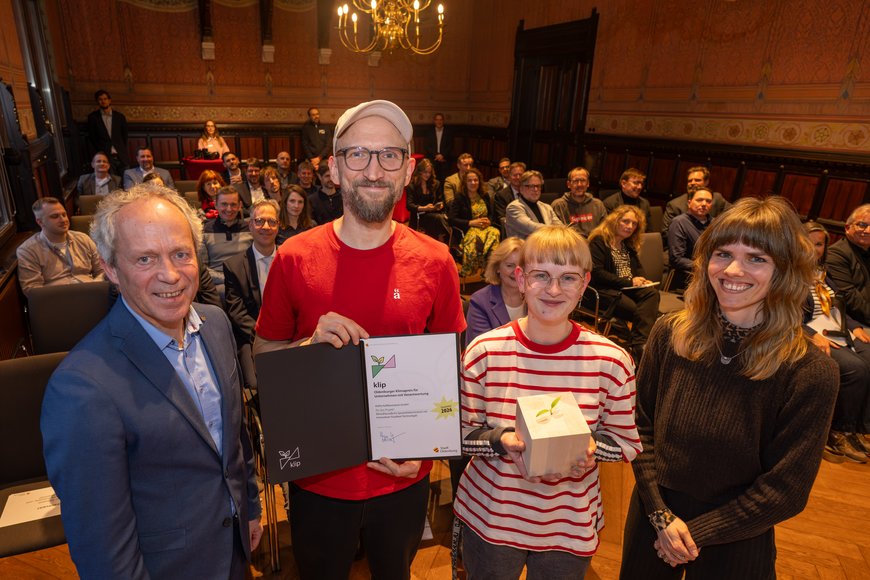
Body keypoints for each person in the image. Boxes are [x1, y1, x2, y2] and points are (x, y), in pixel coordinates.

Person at [253, 99, 464, 580]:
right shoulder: (294, 256)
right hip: (318, 480)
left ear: (408, 170)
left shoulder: (435, 262)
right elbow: (263, 357)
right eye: (357, 155)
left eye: (389, 155)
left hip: (403, 481)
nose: (373, 169)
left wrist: (430, 448)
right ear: (333, 168)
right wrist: (308, 348)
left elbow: (449, 368)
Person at [41, 184, 262, 579]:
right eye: (145, 258)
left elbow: (235, 435)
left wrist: (250, 508)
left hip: (234, 553)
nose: (171, 275)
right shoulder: (81, 387)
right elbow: (102, 545)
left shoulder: (215, 325)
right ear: (110, 268)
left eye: (181, 254)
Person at [620, 197, 839, 579]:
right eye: (723, 253)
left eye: (757, 258)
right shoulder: (669, 332)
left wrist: (694, 534)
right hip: (654, 516)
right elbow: (638, 426)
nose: (733, 270)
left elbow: (786, 489)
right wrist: (660, 515)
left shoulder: (810, 371)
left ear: (785, 271)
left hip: (740, 532)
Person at [455, 226, 641, 579]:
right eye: (541, 276)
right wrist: (502, 440)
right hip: (493, 517)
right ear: (521, 279)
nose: (554, 290)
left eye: (568, 278)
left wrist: (587, 446)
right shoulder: (485, 352)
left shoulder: (611, 360)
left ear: (585, 284)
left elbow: (624, 445)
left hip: (567, 523)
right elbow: (461, 435)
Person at [803, 221, 870, 463]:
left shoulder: (822, 274)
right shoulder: (787, 271)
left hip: (836, 329)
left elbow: (838, 308)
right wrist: (810, 334)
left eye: (819, 244)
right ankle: (837, 431)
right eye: (808, 243)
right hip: (809, 332)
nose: (813, 248)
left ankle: (860, 429)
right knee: (856, 368)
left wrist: (856, 327)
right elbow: (784, 315)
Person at [588, 206, 660, 360]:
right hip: (606, 290)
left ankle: (639, 345)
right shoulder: (599, 241)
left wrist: (643, 279)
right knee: (641, 312)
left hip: (627, 287)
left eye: (634, 224)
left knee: (652, 293)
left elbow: (638, 268)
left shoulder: (627, 244)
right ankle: (641, 347)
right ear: (615, 220)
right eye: (625, 221)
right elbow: (597, 273)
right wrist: (629, 281)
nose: (630, 227)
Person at [224, 199, 280, 391]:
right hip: (252, 336)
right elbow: (236, 312)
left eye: (272, 222)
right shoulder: (234, 266)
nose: (266, 227)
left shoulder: (291, 260)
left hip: (289, 334)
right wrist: (262, 335)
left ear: (278, 226)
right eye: (259, 221)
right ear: (250, 225)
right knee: (258, 383)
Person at [17, 197, 103, 296]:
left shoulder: (83, 239)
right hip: (58, 301)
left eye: (64, 214)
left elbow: (102, 270)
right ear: (40, 222)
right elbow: (32, 290)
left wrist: (96, 285)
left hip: (91, 293)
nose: (63, 220)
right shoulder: (28, 250)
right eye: (55, 216)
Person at [466, 237, 525, 344]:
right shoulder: (480, 301)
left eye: (521, 266)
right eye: (510, 265)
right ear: (497, 268)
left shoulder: (538, 296)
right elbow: (480, 349)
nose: (516, 272)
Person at [448, 167, 500, 277]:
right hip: (468, 230)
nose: (473, 183)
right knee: (480, 239)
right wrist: (471, 222)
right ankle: (476, 267)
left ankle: (489, 267)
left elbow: (492, 214)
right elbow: (451, 219)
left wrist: (489, 221)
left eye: (475, 180)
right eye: (470, 180)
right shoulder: (460, 197)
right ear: (465, 182)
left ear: (479, 181)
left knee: (495, 232)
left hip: (486, 228)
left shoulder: (484, 195)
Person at [201, 186, 253, 295]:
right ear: (216, 205)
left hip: (246, 281)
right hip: (218, 284)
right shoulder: (205, 231)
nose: (229, 209)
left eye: (233, 204)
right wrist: (228, 279)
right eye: (224, 204)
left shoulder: (250, 230)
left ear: (239, 206)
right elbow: (203, 269)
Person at [826, 204, 870, 326]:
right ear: (847, 227)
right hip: (852, 322)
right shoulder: (836, 254)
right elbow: (849, 299)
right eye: (862, 225)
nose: (868, 231)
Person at [661, 166, 730, 240]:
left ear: (706, 182)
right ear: (689, 202)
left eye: (697, 180)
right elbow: (666, 233)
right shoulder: (674, 204)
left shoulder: (717, 198)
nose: (693, 183)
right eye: (690, 181)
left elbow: (733, 213)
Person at [667, 187, 713, 291]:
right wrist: (704, 267)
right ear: (689, 202)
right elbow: (676, 259)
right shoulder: (679, 222)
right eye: (699, 200)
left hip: (710, 277)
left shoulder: (715, 224)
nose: (704, 204)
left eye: (708, 201)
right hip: (686, 279)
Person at [505, 169, 564, 239]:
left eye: (538, 186)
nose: (536, 189)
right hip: (523, 248)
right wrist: (555, 229)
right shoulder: (513, 207)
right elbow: (532, 228)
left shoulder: (547, 207)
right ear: (521, 188)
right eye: (531, 186)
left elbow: (561, 227)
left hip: (548, 245)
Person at [551, 166, 606, 238]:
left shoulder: (598, 204)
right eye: (575, 181)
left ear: (588, 183)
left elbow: (605, 230)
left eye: (583, 180)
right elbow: (555, 234)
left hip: (593, 245)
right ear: (568, 184)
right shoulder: (558, 205)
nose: (579, 184)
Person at [86, 89, 129, 175]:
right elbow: (93, 138)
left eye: (105, 99)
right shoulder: (93, 118)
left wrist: (121, 149)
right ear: (97, 102)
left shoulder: (120, 117)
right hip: (105, 156)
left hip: (121, 155)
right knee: (111, 182)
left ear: (110, 100)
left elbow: (124, 136)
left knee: (126, 180)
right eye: (100, 99)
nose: (103, 101)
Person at [405, 157, 448, 243]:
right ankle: (443, 240)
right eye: (425, 172)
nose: (427, 175)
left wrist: (440, 206)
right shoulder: (412, 186)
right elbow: (409, 205)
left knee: (440, 217)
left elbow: (440, 200)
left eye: (429, 172)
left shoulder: (435, 184)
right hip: (419, 216)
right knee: (439, 219)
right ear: (419, 172)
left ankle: (441, 241)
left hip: (433, 213)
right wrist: (425, 208)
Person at [422, 112, 454, 182]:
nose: (439, 121)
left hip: (445, 160)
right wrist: (436, 156)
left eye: (440, 120)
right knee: (432, 181)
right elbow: (427, 146)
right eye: (437, 120)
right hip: (433, 160)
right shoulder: (429, 132)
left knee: (444, 181)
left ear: (443, 121)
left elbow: (450, 146)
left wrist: (442, 156)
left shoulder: (448, 132)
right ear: (434, 121)